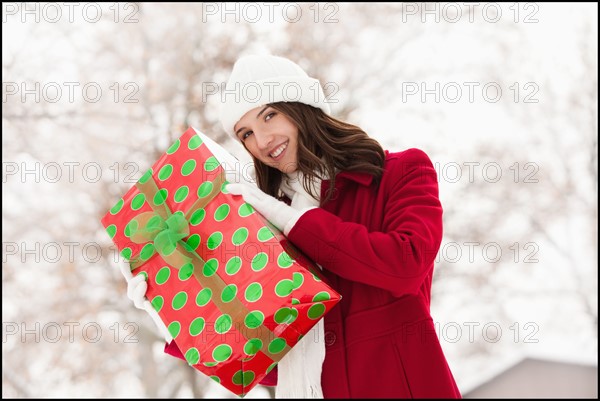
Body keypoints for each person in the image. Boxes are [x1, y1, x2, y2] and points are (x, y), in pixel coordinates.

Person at [125, 54, 462, 398]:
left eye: (269, 115)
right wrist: (166, 314)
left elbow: (405, 265)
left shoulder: (401, 172)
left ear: (302, 105)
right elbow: (267, 359)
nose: (262, 139)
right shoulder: (262, 226)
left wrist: (291, 221)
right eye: (246, 134)